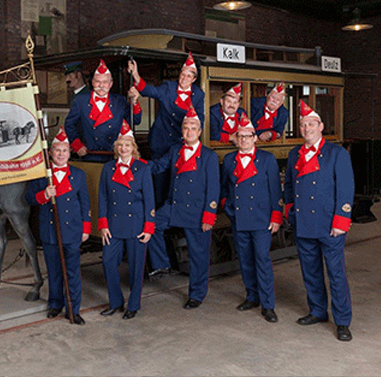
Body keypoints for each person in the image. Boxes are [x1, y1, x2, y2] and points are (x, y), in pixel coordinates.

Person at [284, 101, 354, 342]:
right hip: (304, 224)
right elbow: (289, 188)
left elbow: (346, 189)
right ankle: (317, 311)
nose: (307, 128)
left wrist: (341, 220)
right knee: (310, 272)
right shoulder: (295, 154)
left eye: (311, 124)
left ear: (321, 126)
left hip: (330, 225)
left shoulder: (337, 153)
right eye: (303, 125)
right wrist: (291, 212)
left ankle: (343, 321)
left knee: (336, 274)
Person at [148, 109, 220, 308]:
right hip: (173, 205)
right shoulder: (174, 150)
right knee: (150, 225)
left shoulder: (208, 156)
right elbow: (158, 166)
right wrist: (135, 163)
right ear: (182, 130)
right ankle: (162, 264)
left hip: (197, 211)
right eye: (186, 128)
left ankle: (197, 294)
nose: (189, 132)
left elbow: (214, 189)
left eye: (193, 128)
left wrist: (209, 215)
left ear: (199, 131)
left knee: (198, 256)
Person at [25, 127, 91, 325]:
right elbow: (28, 198)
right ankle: (55, 304)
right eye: (57, 150)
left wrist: (86, 229)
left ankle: (74, 308)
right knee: (53, 271)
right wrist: (44, 195)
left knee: (72, 271)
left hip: (72, 230)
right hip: (50, 231)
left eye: (64, 150)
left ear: (69, 153)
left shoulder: (78, 175)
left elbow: (85, 203)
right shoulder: (42, 175)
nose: (61, 154)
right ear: (51, 153)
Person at [220, 114, 282, 323]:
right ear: (236, 138)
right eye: (240, 136)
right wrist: (227, 208)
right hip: (239, 218)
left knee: (262, 260)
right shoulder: (229, 160)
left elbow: (275, 190)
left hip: (262, 218)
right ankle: (252, 296)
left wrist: (276, 216)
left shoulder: (267, 159)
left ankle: (268, 305)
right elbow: (224, 189)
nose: (244, 139)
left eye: (248, 136)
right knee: (245, 260)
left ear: (255, 138)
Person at [128, 53, 205, 210]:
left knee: (178, 182)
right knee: (159, 182)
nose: (184, 78)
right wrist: (135, 75)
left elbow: (200, 119)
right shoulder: (169, 88)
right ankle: (155, 219)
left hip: (181, 144)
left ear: (194, 79)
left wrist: (193, 139)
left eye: (188, 76)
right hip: (160, 141)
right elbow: (149, 91)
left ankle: (174, 219)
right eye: (182, 74)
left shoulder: (198, 95)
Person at [98, 121, 155, 320]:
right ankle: (115, 302)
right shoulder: (107, 168)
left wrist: (149, 227)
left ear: (133, 148)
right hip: (113, 225)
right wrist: (103, 224)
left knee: (136, 267)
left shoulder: (143, 168)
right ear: (116, 148)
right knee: (107, 262)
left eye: (127, 145)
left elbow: (150, 199)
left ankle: (133, 304)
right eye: (120, 145)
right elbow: (103, 197)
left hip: (136, 224)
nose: (123, 148)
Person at [64, 59, 142, 162]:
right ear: (92, 83)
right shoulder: (81, 101)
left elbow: (136, 120)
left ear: (110, 84)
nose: (101, 86)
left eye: (105, 82)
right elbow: (69, 124)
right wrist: (77, 145)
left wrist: (135, 101)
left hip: (113, 155)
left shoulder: (119, 101)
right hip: (90, 155)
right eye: (97, 82)